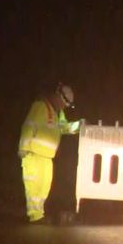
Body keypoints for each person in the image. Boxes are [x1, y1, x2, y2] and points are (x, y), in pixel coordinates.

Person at [18, 83, 81, 223]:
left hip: (47, 156)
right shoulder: (40, 106)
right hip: (33, 154)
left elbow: (64, 128)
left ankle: (38, 214)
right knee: (33, 187)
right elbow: (28, 126)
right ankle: (35, 216)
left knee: (43, 188)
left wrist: (79, 125)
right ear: (58, 96)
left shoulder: (58, 113)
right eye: (64, 102)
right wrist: (23, 147)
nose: (64, 106)